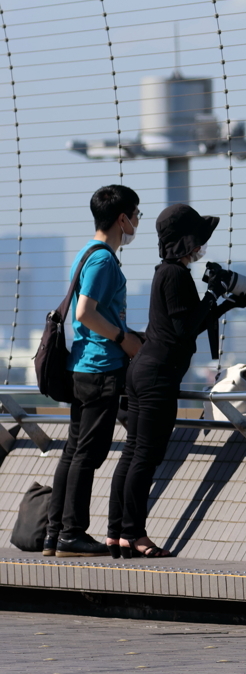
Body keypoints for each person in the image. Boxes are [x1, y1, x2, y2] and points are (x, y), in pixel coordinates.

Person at [106, 204, 246, 558]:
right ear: (185, 241)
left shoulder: (167, 273)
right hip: (157, 375)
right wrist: (213, 296)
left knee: (133, 453)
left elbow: (191, 320)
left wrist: (229, 304)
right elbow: (183, 329)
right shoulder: (174, 275)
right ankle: (135, 535)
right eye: (197, 240)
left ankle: (117, 533)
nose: (201, 248)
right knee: (146, 455)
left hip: (145, 369)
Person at [44, 185, 145, 558]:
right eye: (136, 215)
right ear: (122, 219)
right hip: (101, 368)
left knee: (74, 450)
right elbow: (86, 312)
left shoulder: (86, 254)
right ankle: (73, 533)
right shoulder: (103, 260)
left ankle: (54, 534)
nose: (137, 222)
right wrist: (123, 338)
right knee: (87, 454)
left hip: (81, 366)